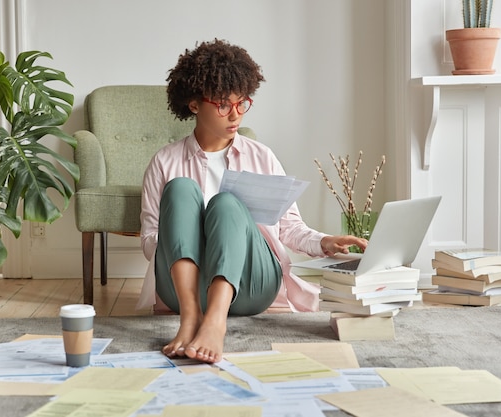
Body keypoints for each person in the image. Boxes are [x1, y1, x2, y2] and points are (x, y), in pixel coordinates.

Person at [138, 39, 366, 364]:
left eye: (242, 103)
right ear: (193, 104)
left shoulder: (261, 156)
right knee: (179, 189)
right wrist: (188, 236)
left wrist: (325, 241)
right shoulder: (164, 161)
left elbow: (288, 227)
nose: (235, 115)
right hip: (183, 288)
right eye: (222, 104)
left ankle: (215, 323)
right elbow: (149, 241)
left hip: (250, 283)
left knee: (227, 203)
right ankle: (189, 320)